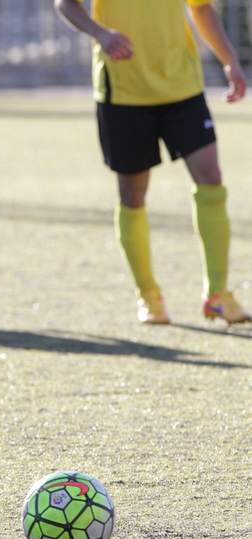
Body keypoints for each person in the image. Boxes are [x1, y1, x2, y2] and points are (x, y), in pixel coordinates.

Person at [55, 0, 250, 325]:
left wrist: (229, 59)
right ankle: (148, 296)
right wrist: (100, 34)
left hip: (181, 84)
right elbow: (65, 4)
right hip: (123, 87)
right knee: (132, 195)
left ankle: (218, 294)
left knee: (211, 176)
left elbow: (201, 9)